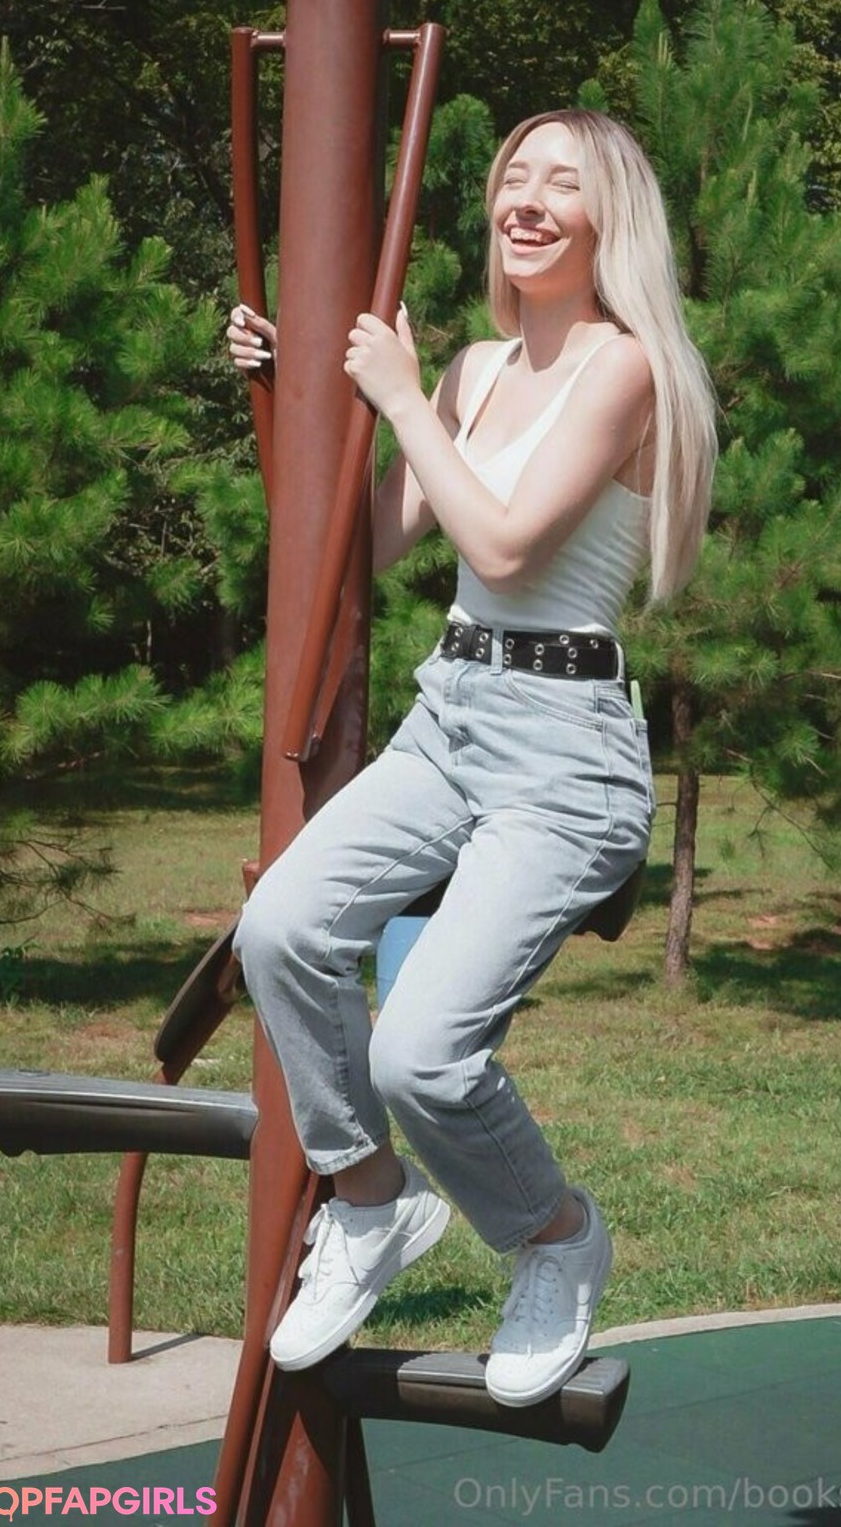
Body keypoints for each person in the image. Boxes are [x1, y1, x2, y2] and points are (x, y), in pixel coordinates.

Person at [226, 108, 716, 1407]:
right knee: (281, 928)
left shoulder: (624, 370)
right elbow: (359, 544)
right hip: (450, 714)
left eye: (565, 182)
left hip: (564, 752)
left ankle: (553, 1235)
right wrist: (285, 389)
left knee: (421, 1055)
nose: (528, 199)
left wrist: (396, 394)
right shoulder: (474, 372)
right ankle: (370, 1196)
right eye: (515, 177)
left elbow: (501, 546)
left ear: (611, 221)